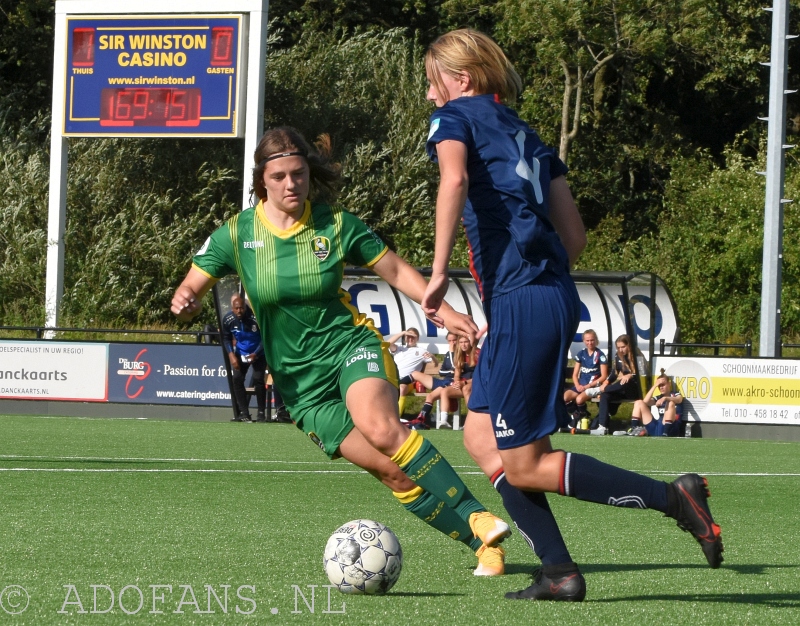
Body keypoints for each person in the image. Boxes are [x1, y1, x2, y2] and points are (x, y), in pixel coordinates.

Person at [420, 29, 723, 601]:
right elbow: (575, 235)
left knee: (527, 463)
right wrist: (537, 281)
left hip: (522, 301)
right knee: (482, 439)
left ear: (460, 79)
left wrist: (439, 276)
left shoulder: (455, 117)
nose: (430, 96)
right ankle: (558, 571)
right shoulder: (526, 132)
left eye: (433, 82)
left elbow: (453, 179)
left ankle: (672, 499)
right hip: (551, 293)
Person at [171, 126, 510, 576]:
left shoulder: (336, 224)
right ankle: (482, 545)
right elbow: (190, 289)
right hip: (302, 388)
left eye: (299, 174)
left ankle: (476, 514)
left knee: (381, 427)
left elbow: (396, 270)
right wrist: (185, 302)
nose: (292, 184)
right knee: (394, 474)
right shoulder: (235, 236)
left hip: (350, 347)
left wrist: (443, 312)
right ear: (262, 182)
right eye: (280, 177)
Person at [415, 334, 479, 429]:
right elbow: (456, 374)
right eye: (461, 342)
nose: (463, 345)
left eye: (466, 342)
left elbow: (482, 376)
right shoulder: (459, 354)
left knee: (465, 389)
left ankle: (470, 422)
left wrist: (464, 383)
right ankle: (443, 421)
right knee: (444, 391)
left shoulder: (478, 354)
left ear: (471, 342)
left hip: (476, 383)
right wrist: (457, 382)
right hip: (460, 383)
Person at [222, 293, 268, 422]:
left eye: (241, 308)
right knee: (237, 378)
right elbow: (225, 337)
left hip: (258, 353)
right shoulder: (228, 319)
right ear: (232, 309)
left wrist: (256, 353)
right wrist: (231, 355)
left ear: (245, 307)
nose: (239, 311)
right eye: (236, 308)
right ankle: (244, 413)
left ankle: (261, 413)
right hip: (241, 353)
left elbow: (265, 337)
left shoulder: (255, 318)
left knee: (258, 378)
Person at [590, 334, 641, 435]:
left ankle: (599, 390)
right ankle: (602, 427)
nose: (621, 350)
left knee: (626, 381)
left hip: (634, 389)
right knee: (605, 395)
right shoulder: (618, 355)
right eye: (618, 347)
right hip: (621, 388)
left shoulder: (637, 355)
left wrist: (630, 375)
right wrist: (606, 382)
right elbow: (614, 373)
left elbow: (642, 373)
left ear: (629, 345)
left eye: (623, 347)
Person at [386, 328, 438, 415]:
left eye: (413, 337)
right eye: (408, 336)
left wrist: (432, 356)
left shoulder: (421, 351)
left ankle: (398, 416)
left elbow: (436, 364)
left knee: (402, 388)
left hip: (408, 382)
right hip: (394, 379)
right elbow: (388, 344)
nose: (410, 339)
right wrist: (402, 333)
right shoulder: (399, 348)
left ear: (417, 338)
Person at [620, 369, 684, 437]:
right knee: (639, 402)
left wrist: (665, 398)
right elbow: (645, 402)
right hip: (658, 426)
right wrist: (655, 386)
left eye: (663, 385)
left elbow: (679, 400)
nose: (661, 387)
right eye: (659, 386)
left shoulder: (675, 394)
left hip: (671, 427)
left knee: (670, 403)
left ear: (669, 384)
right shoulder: (659, 397)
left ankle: (666, 433)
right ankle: (633, 429)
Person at [563, 329, 608, 425]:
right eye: (587, 340)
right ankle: (579, 414)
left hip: (592, 386)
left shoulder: (600, 355)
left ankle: (583, 418)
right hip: (581, 385)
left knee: (579, 399)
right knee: (565, 397)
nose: (590, 343)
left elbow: (604, 376)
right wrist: (577, 385)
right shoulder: (581, 354)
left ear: (596, 340)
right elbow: (574, 375)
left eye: (592, 340)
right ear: (584, 341)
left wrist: (588, 386)